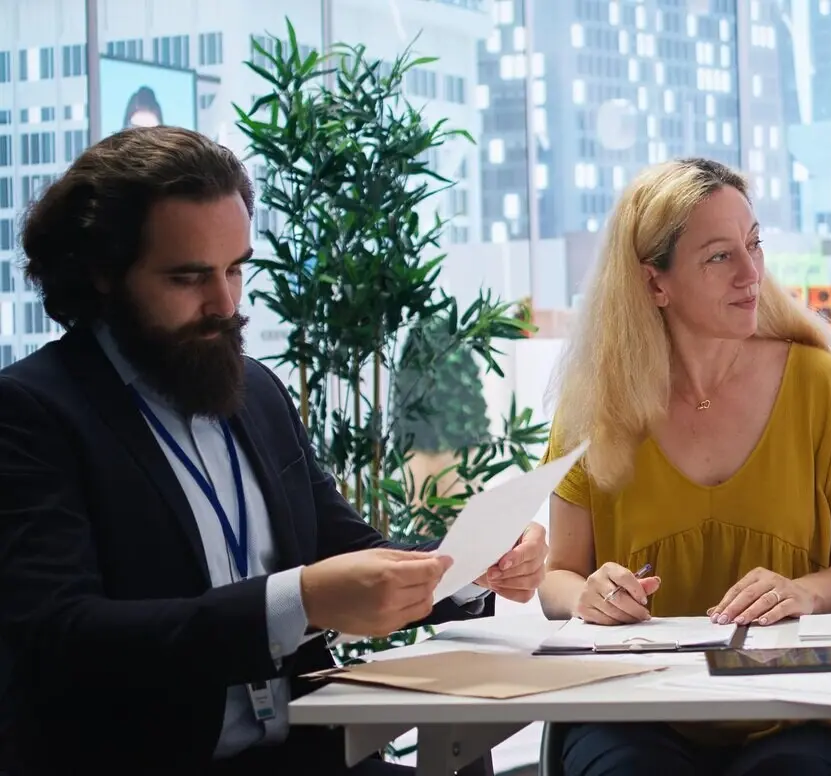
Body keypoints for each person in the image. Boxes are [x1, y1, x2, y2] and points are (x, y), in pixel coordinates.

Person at [0, 126, 549, 776]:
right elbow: (63, 639)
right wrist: (298, 601)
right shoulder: (31, 413)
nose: (226, 304)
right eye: (188, 278)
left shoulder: (253, 390)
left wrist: (471, 566)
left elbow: (344, 547)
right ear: (100, 277)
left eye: (236, 268)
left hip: (306, 755)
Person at [536, 157, 831, 776]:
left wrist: (804, 591)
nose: (752, 272)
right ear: (655, 284)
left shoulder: (817, 383)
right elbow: (557, 580)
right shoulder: (595, 405)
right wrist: (588, 595)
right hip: (636, 703)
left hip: (798, 704)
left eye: (753, 245)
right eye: (719, 256)